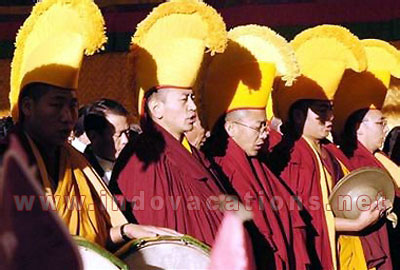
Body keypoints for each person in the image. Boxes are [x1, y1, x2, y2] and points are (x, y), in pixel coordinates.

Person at [4, 0, 176, 250]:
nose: (67, 116)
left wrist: (127, 230)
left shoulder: (77, 164)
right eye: (56, 104)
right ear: (28, 106)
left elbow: (95, 240)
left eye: (73, 105)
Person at [268, 25, 389, 270]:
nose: (330, 117)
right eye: (322, 110)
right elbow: (302, 219)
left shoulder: (331, 152)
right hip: (325, 254)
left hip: (350, 253)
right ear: (299, 114)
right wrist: (354, 225)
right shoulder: (293, 156)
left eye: (330, 108)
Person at [112, 0, 228, 246]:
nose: (193, 107)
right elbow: (160, 241)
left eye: (193, 98)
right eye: (184, 99)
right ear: (157, 109)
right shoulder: (143, 158)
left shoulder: (192, 153)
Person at [201, 25, 309, 270]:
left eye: (265, 127)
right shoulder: (221, 166)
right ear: (230, 128)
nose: (265, 135)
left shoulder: (258, 164)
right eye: (259, 127)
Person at [330, 39, 400, 270]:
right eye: (380, 123)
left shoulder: (379, 158)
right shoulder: (349, 161)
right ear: (358, 127)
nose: (385, 128)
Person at [84, 98, 130, 185]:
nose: (126, 140)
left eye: (127, 132)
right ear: (93, 136)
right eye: (118, 135)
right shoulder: (82, 170)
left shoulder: (136, 163)